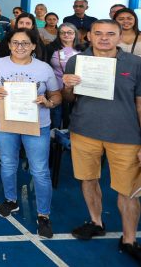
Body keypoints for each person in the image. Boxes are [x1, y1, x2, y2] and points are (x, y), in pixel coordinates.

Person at [62, 20, 141, 261]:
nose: (104, 38)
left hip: (125, 136)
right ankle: (96, 221)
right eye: (98, 33)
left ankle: (129, 239)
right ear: (89, 36)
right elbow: (69, 98)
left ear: (120, 37)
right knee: (88, 179)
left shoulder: (136, 63)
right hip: (84, 131)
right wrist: (68, 87)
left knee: (129, 191)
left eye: (110, 34)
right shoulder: (77, 61)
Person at [0, 28, 61, 239]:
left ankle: (43, 214)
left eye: (25, 43)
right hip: (5, 122)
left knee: (39, 170)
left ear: (34, 46)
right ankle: (11, 200)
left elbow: (56, 95)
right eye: (16, 43)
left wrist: (49, 102)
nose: (20, 47)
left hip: (37, 125)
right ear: (9, 45)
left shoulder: (44, 68)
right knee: (8, 163)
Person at [44, 22, 81, 129]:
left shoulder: (83, 48)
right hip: (56, 89)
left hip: (77, 89)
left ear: (75, 34)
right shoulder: (51, 48)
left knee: (73, 119)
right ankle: (55, 142)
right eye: (63, 32)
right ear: (58, 34)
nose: (66, 35)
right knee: (56, 118)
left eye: (70, 32)